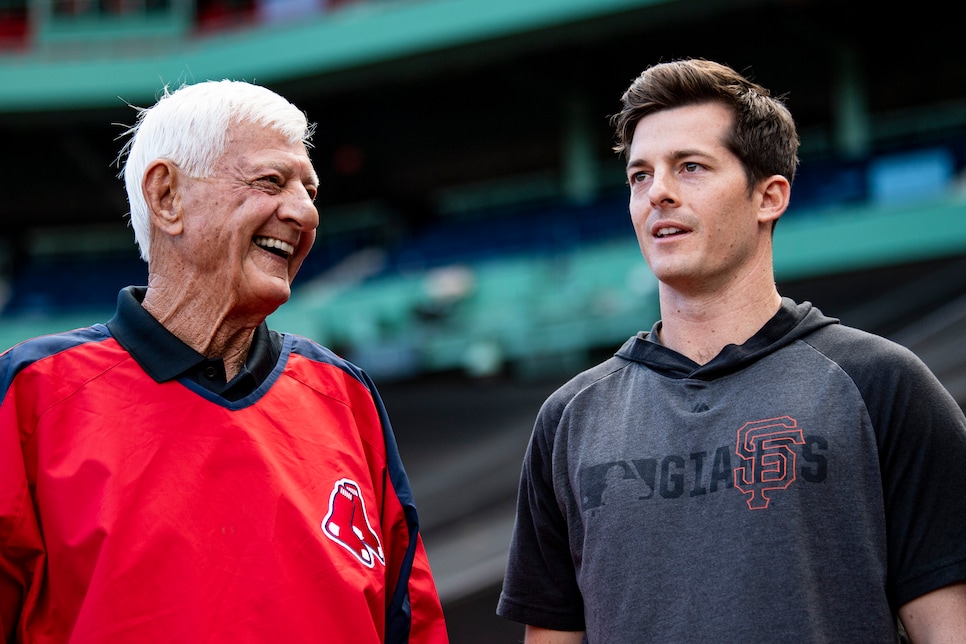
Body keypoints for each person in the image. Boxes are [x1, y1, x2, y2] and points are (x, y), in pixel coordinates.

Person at [496, 59, 966, 642]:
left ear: (769, 196)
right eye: (640, 176)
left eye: (690, 167)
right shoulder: (569, 417)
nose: (658, 193)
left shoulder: (883, 386)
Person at [0, 80, 448, 643]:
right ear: (167, 197)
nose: (304, 213)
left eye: (310, 190)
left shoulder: (343, 393)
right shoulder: (32, 393)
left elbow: (412, 623)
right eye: (271, 182)